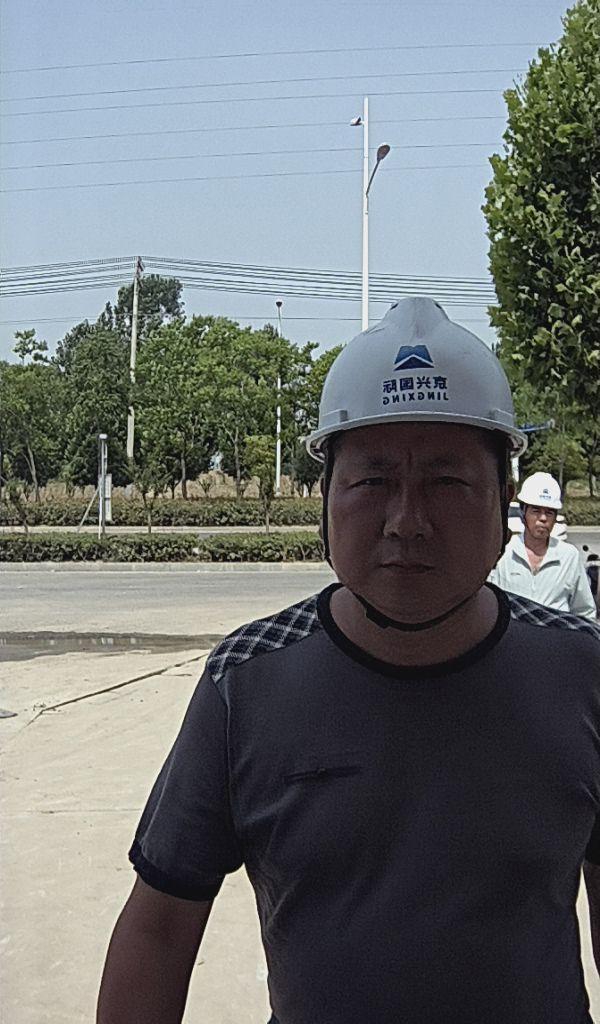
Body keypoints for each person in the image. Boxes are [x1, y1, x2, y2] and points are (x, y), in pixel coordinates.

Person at [97, 298, 600, 1024]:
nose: (407, 521)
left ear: (504, 508)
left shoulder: (581, 673)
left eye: (447, 482)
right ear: (325, 504)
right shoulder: (247, 683)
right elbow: (160, 928)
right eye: (372, 481)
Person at [489, 472, 596, 619]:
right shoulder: (505, 552)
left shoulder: (569, 556)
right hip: (514, 632)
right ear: (523, 512)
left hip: (557, 633)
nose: (543, 518)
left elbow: (584, 611)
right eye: (536, 511)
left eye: (549, 512)